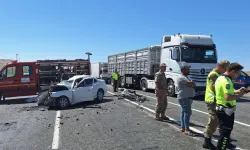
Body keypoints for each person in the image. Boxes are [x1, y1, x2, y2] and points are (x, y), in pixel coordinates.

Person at [215, 63, 248, 150]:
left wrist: (238, 91)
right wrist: (240, 95)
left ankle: (223, 147)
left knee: (225, 132)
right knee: (225, 133)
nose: (238, 76)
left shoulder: (222, 78)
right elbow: (228, 97)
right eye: (238, 73)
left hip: (224, 109)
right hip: (225, 110)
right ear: (233, 71)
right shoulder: (226, 81)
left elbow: (229, 91)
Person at [203, 60, 231, 149]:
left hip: (218, 101)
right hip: (212, 101)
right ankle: (207, 142)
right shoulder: (214, 75)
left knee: (222, 121)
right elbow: (213, 88)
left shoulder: (219, 75)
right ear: (220, 66)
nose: (225, 71)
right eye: (225, 69)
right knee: (213, 121)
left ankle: (224, 141)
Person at [176, 65, 196, 136]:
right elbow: (191, 84)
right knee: (187, 113)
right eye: (187, 69)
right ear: (183, 70)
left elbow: (193, 84)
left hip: (187, 97)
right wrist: (192, 83)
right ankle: (186, 129)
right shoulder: (181, 78)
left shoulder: (186, 77)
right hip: (184, 97)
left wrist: (192, 83)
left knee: (184, 112)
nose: (189, 70)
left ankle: (183, 127)